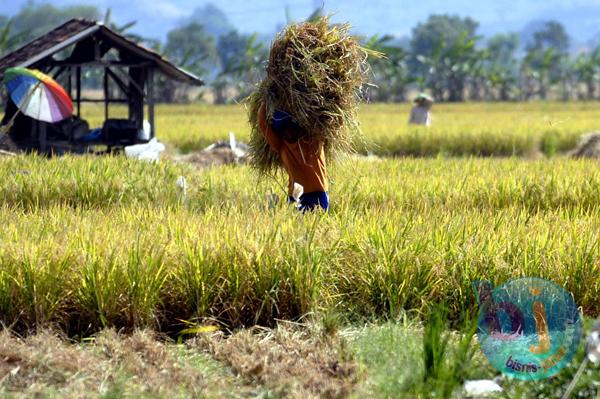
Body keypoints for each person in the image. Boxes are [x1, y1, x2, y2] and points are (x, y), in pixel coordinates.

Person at [257, 103, 329, 212]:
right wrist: (266, 99)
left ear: (297, 126)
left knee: (318, 225)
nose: (286, 132)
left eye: (288, 126)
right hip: (296, 196)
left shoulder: (313, 139)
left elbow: (330, 120)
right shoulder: (281, 146)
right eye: (282, 129)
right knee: (296, 227)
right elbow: (262, 122)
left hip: (318, 194)